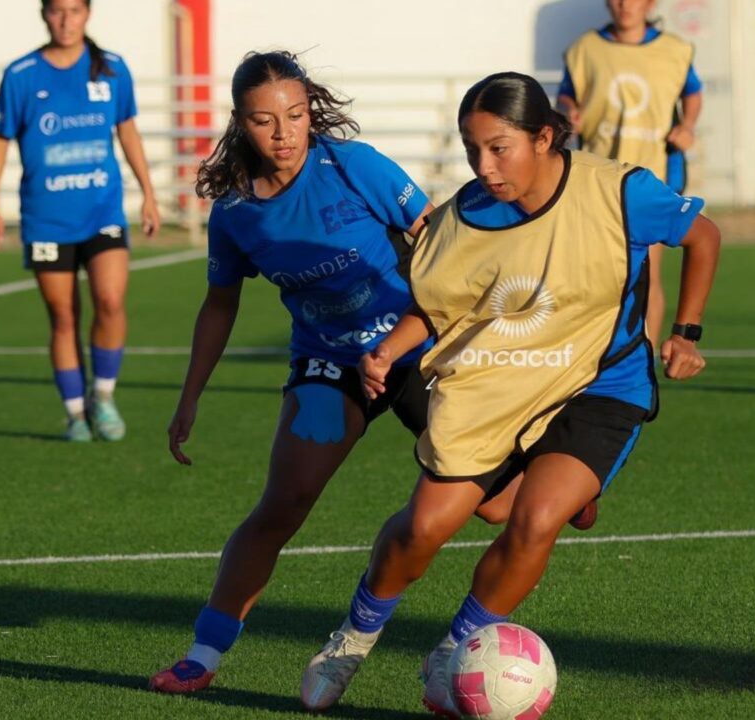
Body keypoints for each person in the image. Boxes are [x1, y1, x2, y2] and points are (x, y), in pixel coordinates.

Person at [299, 71, 721, 715]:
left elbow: (703, 236)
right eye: (472, 149)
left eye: (500, 147)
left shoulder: (620, 192)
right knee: (424, 528)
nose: (484, 165)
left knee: (533, 520)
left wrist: (686, 332)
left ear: (545, 137)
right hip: (501, 382)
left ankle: (456, 651)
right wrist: (388, 348)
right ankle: (352, 640)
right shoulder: (463, 218)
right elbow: (436, 309)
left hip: (600, 383)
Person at [148, 50, 456, 695]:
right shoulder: (235, 212)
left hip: (414, 348)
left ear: (310, 109)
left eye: (295, 115)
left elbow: (438, 245)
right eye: (265, 121)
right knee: (280, 506)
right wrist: (189, 397)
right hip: (329, 364)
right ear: (241, 123)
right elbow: (220, 304)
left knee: (497, 505)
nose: (284, 133)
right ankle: (203, 655)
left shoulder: (354, 165)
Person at [0, 0, 160, 441]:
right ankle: (75, 413)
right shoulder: (21, 75)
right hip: (47, 218)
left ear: (88, 14)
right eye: (58, 11)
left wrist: (149, 193)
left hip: (102, 210)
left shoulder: (111, 69)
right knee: (63, 317)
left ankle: (103, 396)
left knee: (111, 300)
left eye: (75, 11)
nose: (66, 20)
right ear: (44, 15)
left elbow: (128, 130)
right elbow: (0, 140)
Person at [558, 0, 705, 348]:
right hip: (597, 180)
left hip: (653, 178)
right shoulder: (585, 49)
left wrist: (687, 126)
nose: (625, 6)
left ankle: (645, 360)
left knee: (647, 275)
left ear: (650, 3)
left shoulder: (675, 50)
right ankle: (592, 356)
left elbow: (693, 92)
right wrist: (568, 112)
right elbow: (567, 96)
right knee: (595, 276)